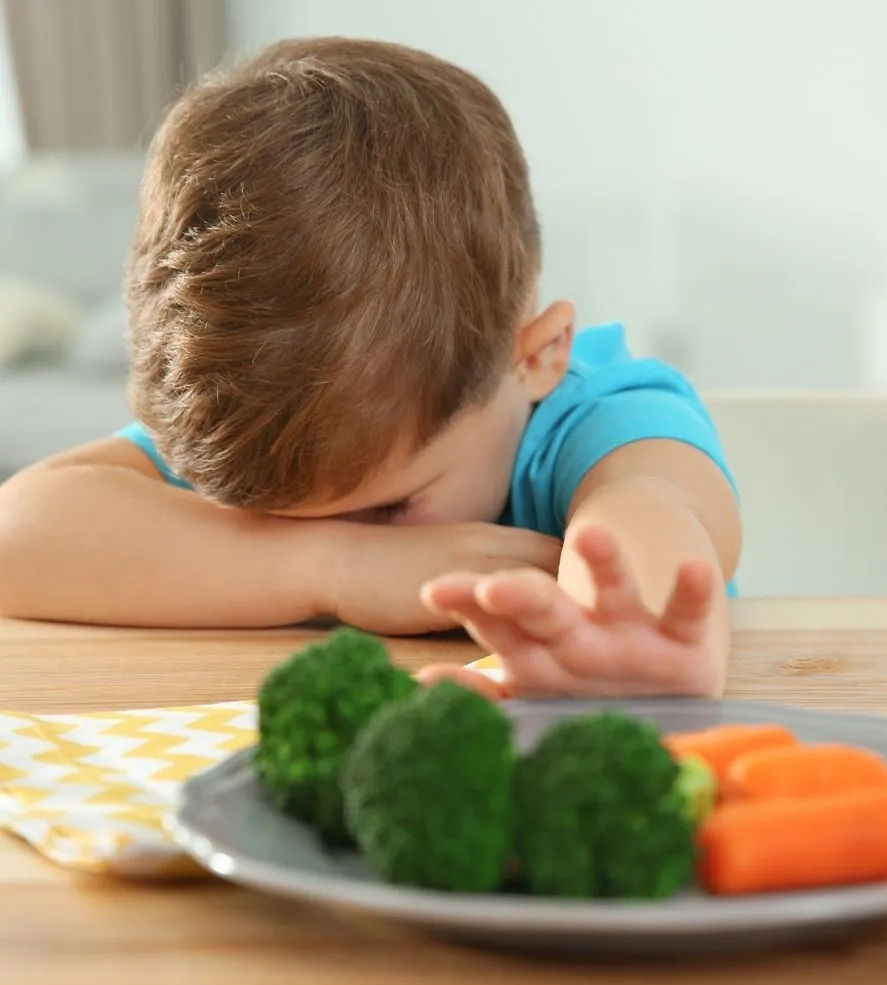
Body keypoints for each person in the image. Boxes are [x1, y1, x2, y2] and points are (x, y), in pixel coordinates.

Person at [0, 38, 741, 699]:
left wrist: (624, 637)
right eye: (258, 523)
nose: (367, 534)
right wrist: (337, 565)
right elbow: (16, 536)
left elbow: (649, 515)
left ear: (537, 357)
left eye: (388, 510)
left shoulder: (600, 420)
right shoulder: (264, 418)